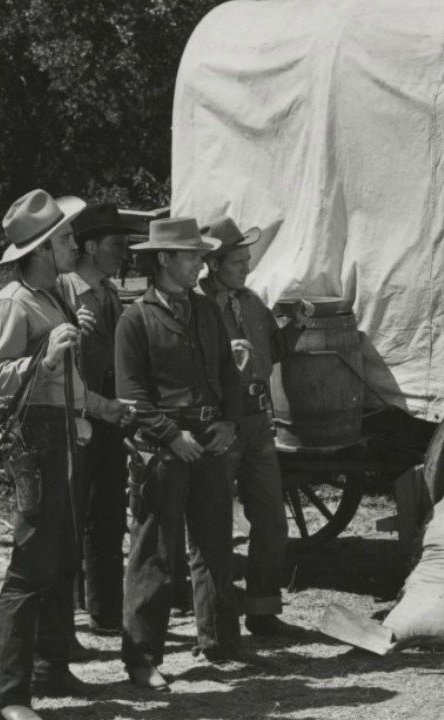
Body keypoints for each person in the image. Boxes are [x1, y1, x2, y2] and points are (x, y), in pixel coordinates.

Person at [0, 189, 130, 720]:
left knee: (63, 557)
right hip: (36, 442)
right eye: (66, 238)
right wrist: (43, 359)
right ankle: (7, 697)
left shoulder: (57, 299)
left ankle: (51, 667)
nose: (73, 244)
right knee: (28, 567)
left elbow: (68, 383)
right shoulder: (12, 303)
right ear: (42, 249)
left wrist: (107, 409)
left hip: (68, 433)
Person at [116, 216, 245, 691]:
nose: (199, 263)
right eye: (191, 255)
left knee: (215, 546)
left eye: (199, 255)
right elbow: (130, 395)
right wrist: (171, 434)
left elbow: (229, 371)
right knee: (154, 555)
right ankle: (142, 658)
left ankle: (221, 641)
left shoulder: (206, 309)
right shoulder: (136, 318)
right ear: (164, 259)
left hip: (210, 440)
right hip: (164, 450)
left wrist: (229, 421)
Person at [197, 215, 311, 636]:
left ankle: (263, 612)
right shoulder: (199, 307)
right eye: (237, 261)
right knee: (214, 527)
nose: (246, 267)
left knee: (272, 522)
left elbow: (273, 352)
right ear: (213, 263)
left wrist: (294, 328)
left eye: (247, 259)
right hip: (221, 425)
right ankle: (218, 624)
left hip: (258, 424)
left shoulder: (249, 302)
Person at [59, 202, 140, 638]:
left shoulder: (108, 292)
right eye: (116, 244)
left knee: (107, 514)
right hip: (75, 418)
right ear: (90, 246)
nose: (123, 252)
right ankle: (68, 610)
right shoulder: (64, 292)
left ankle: (104, 612)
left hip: (109, 417)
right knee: (72, 514)